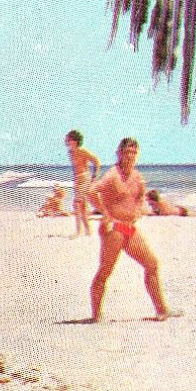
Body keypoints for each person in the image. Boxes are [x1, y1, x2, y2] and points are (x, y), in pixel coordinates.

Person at [86, 138, 178, 322]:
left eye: (134, 152)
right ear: (119, 153)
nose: (130, 156)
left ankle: (161, 310)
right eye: (127, 152)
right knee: (105, 271)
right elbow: (90, 192)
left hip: (130, 228)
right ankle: (96, 316)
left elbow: (140, 195)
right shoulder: (112, 175)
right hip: (114, 229)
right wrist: (105, 214)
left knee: (151, 264)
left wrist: (137, 210)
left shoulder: (136, 176)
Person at [64, 130, 101, 238]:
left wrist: (95, 175)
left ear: (74, 141)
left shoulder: (82, 151)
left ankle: (78, 231)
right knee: (83, 206)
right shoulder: (70, 153)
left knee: (76, 204)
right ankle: (88, 231)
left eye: (68, 138)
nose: (66, 140)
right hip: (77, 179)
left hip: (85, 177)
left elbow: (96, 161)